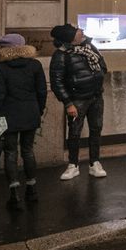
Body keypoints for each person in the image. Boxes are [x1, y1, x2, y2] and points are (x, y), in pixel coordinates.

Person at [0, 33, 47, 211]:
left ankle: (14, 193)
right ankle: (32, 189)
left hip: (9, 115)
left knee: (10, 152)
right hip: (30, 113)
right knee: (28, 150)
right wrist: (39, 109)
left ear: (6, 50)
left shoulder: (2, 68)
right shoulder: (35, 65)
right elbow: (42, 91)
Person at [49, 22, 108, 181]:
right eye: (77, 31)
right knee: (74, 132)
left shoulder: (90, 47)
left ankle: (94, 163)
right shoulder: (61, 55)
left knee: (96, 129)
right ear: (71, 38)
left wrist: (99, 78)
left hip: (96, 96)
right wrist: (68, 103)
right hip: (77, 100)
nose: (81, 31)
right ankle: (73, 165)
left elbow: (102, 66)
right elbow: (57, 82)